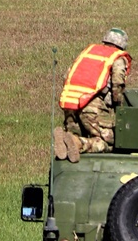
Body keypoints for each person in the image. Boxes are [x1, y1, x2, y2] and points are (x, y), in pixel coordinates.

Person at [54, 29, 131, 162]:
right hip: (91, 104)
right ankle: (78, 143)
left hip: (69, 103)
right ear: (122, 44)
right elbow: (118, 84)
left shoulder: (88, 53)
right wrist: (119, 106)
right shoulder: (117, 57)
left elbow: (67, 76)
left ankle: (68, 141)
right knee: (110, 142)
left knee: (72, 145)